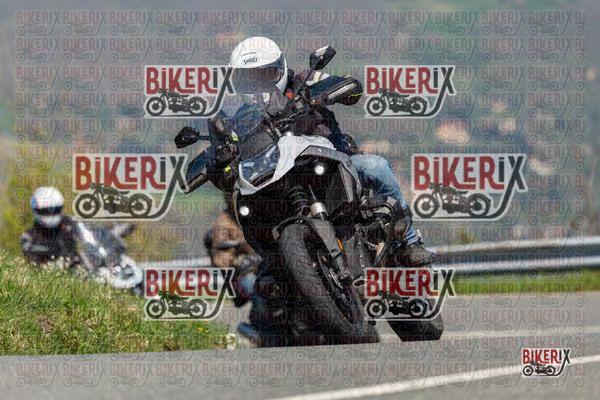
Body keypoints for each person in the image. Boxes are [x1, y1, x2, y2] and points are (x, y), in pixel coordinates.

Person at [227, 37, 434, 268]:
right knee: (251, 221)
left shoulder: (304, 81)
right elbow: (223, 161)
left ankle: (409, 242)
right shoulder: (240, 119)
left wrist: (324, 94)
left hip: (335, 160)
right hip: (279, 179)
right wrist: (219, 159)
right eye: (250, 78)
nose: (258, 83)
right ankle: (278, 265)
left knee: (374, 166)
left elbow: (352, 89)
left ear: (280, 70)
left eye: (264, 74)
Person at [21, 186, 78, 265]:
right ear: (36, 210)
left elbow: (89, 239)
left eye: (55, 210)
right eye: (45, 211)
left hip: (83, 268)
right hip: (56, 270)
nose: (50, 214)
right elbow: (33, 260)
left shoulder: (70, 224)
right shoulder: (30, 236)